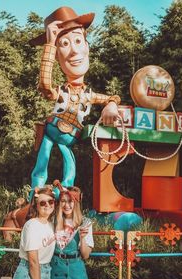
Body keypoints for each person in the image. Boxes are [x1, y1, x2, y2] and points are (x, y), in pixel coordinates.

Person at [29, 6, 121, 196]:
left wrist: (111, 106)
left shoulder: (89, 94)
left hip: (70, 136)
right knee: (42, 161)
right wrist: (50, 45)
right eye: (64, 44)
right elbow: (45, 86)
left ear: (87, 46)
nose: (73, 51)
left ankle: (67, 193)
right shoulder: (61, 91)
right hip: (52, 129)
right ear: (57, 55)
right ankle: (35, 193)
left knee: (70, 167)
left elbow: (112, 97)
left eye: (78, 41)